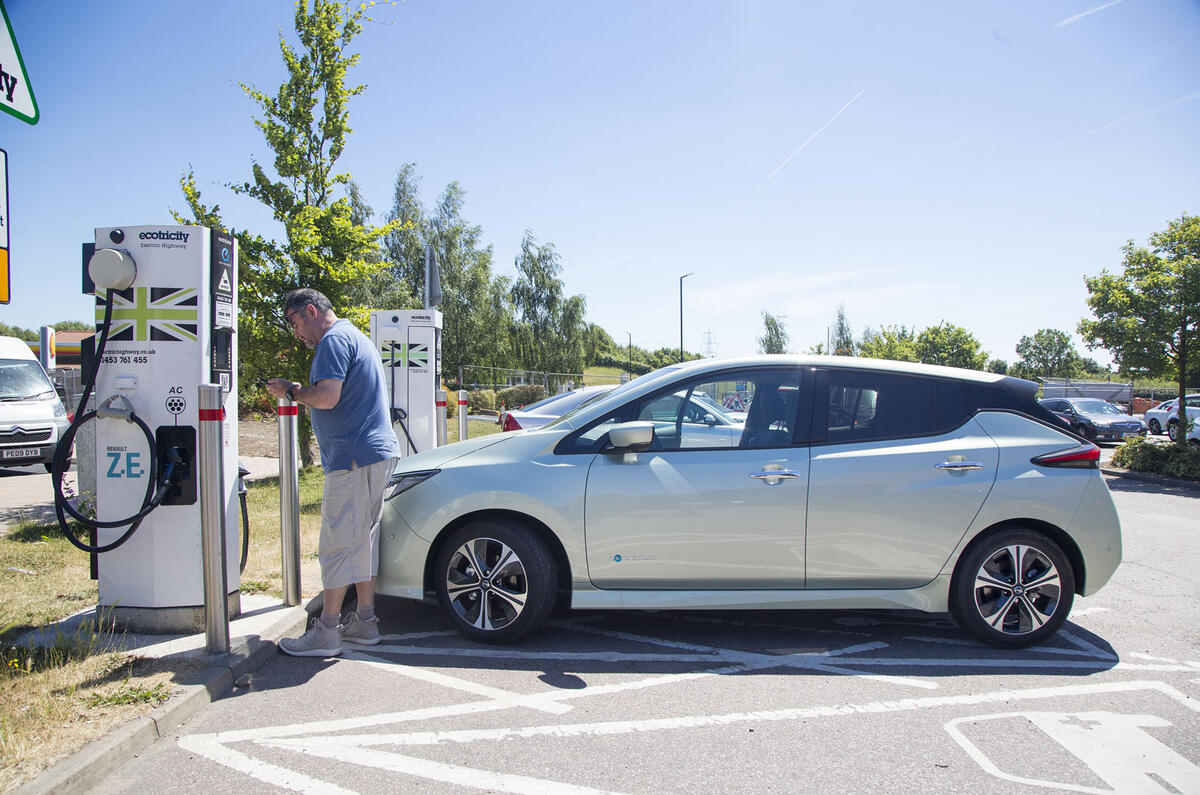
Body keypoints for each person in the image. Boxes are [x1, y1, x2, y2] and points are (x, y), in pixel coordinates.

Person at [267, 288, 401, 657]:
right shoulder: (354, 335)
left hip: (353, 458)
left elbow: (327, 396)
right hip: (374, 454)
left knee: (337, 544)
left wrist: (293, 391)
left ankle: (327, 630)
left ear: (311, 310)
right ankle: (365, 621)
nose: (296, 333)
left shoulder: (332, 341)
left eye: (295, 323)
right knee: (361, 543)